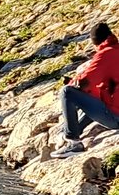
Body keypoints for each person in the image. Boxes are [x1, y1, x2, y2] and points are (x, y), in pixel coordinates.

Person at [51, 23, 119, 158]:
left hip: (115, 117)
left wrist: (71, 83)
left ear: (95, 42)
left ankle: (73, 142)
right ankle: (69, 132)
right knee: (94, 98)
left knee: (67, 92)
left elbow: (85, 83)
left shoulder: (106, 55)